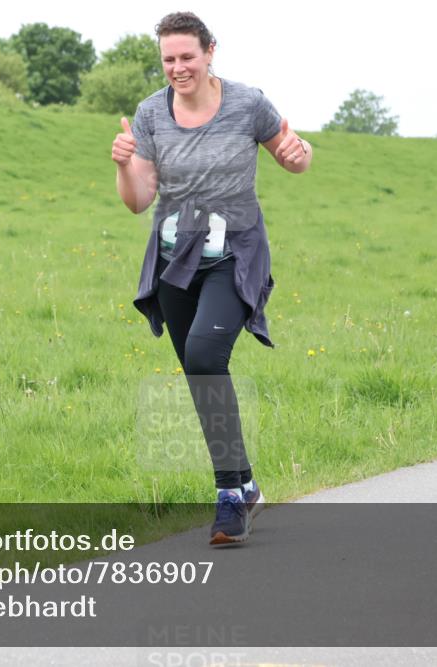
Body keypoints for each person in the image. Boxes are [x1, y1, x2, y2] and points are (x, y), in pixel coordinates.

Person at [112, 11, 313, 546]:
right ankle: (244, 483)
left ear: (209, 51)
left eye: (187, 57)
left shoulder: (247, 103)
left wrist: (300, 154)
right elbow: (139, 202)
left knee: (205, 356)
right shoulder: (152, 113)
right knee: (200, 375)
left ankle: (228, 496)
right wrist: (123, 166)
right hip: (176, 257)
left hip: (235, 253)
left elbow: (292, 156)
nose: (178, 68)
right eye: (168, 59)